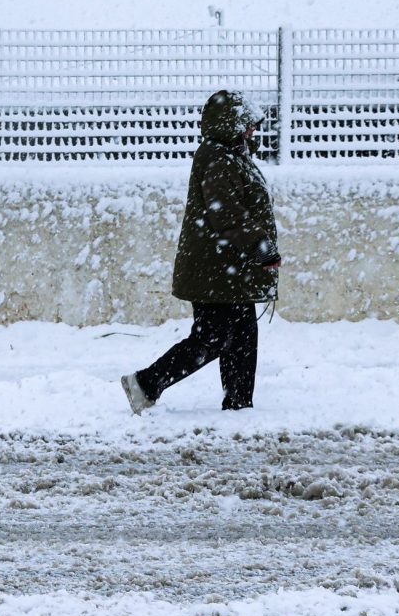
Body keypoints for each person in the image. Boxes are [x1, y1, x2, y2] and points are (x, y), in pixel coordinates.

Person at [120, 90, 281, 414]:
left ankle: (238, 403)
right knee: (213, 338)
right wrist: (261, 248)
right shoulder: (219, 159)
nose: (252, 130)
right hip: (215, 270)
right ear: (230, 123)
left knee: (243, 335)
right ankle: (146, 383)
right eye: (246, 124)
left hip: (227, 268)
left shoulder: (231, 154)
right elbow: (227, 214)